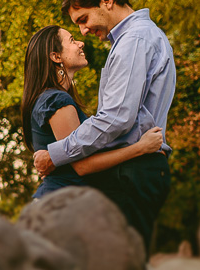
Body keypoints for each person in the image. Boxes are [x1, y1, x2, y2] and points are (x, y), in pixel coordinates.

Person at [32, 0, 176, 253]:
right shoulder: (139, 38)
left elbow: (116, 117)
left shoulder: (134, 40)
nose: (84, 32)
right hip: (136, 171)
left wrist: (57, 153)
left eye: (83, 20)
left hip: (131, 175)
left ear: (106, 1)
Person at [22, 24, 163, 200]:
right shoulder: (56, 101)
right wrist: (141, 148)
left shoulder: (50, 99)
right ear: (56, 56)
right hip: (62, 206)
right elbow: (83, 166)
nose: (81, 43)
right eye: (72, 40)